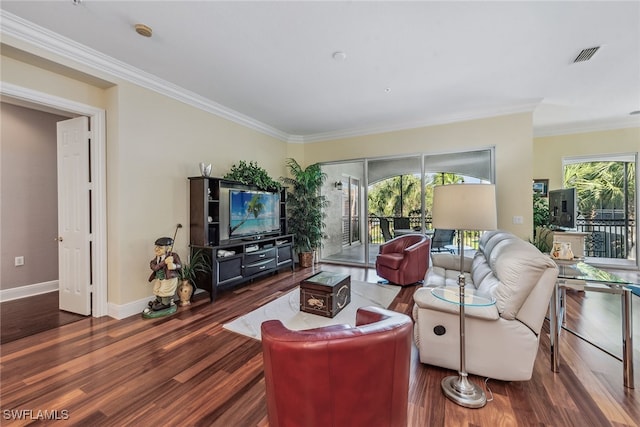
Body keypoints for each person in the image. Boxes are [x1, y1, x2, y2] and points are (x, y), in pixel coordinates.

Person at [147, 236, 182, 312]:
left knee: (164, 291)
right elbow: (153, 266)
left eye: (160, 247)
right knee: (156, 289)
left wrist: (174, 266)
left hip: (169, 278)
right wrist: (164, 262)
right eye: (156, 247)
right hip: (159, 277)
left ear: (168, 248)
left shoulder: (173, 256)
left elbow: (179, 265)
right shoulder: (158, 257)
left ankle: (166, 304)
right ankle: (159, 301)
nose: (157, 249)